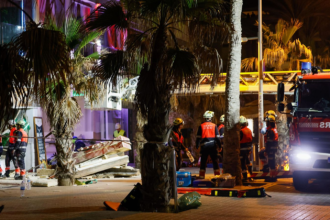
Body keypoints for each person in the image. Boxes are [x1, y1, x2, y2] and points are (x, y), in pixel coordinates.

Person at [196, 111, 222, 178]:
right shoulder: (214, 125)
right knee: (215, 161)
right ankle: (217, 176)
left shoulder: (201, 126)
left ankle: (201, 176)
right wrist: (220, 146)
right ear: (211, 118)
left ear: (205, 118)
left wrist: (197, 146)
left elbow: (198, 137)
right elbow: (217, 137)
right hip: (213, 146)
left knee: (203, 162)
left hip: (204, 147)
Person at [264, 115, 279, 182]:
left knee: (271, 163)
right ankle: (273, 176)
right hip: (274, 148)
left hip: (270, 149)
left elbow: (269, 142)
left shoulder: (270, 131)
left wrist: (266, 150)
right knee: (273, 162)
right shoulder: (274, 130)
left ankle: (272, 177)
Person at [240, 116, 253, 182]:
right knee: (248, 161)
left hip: (242, 149)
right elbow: (251, 139)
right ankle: (251, 174)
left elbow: (239, 140)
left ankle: (245, 177)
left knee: (242, 163)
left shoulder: (241, 131)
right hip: (248, 149)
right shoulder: (249, 130)